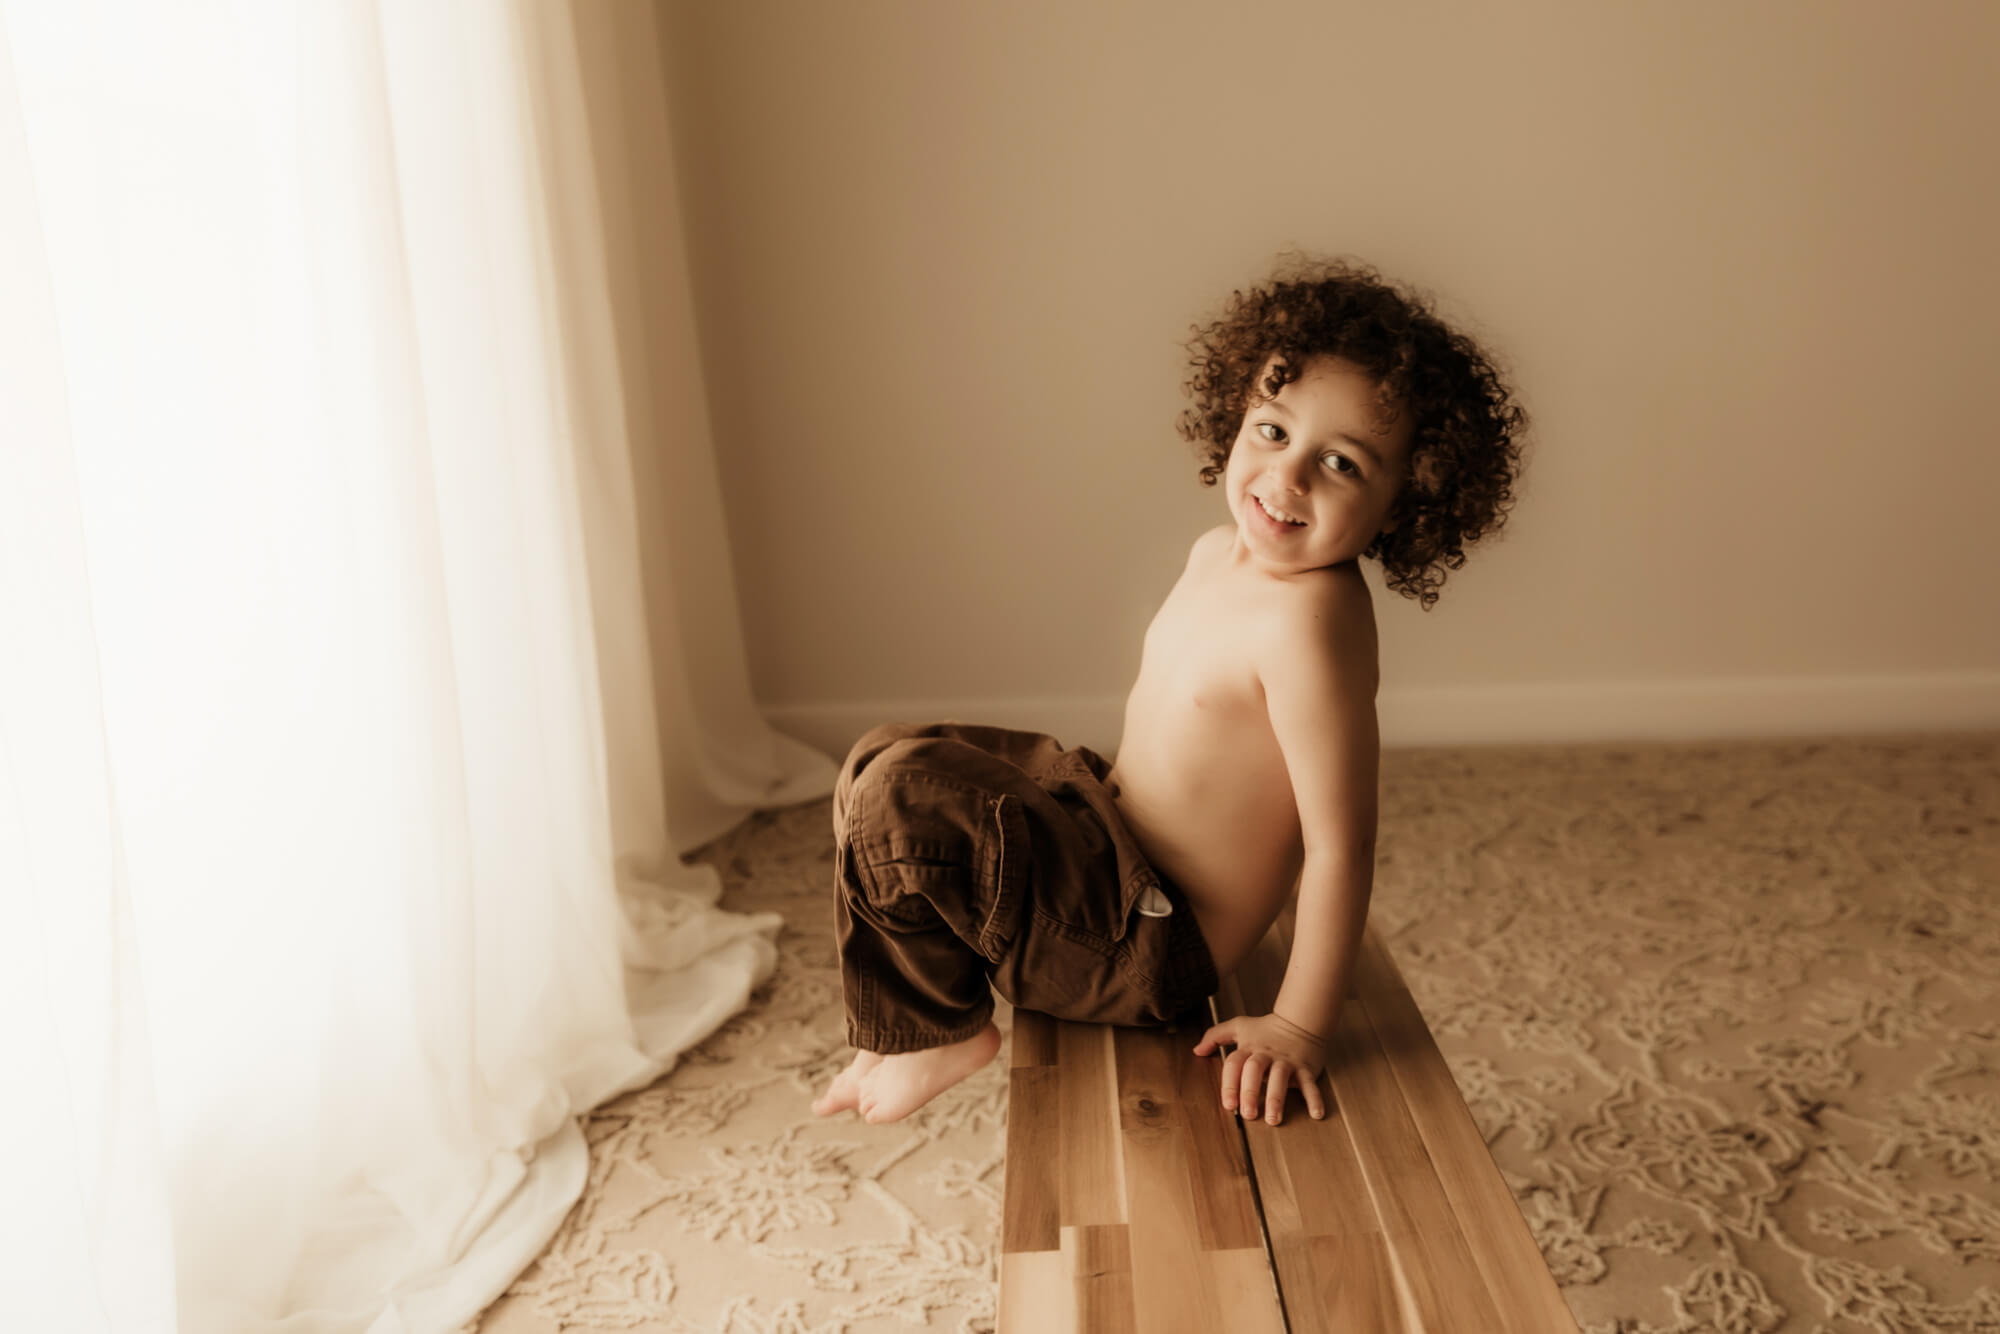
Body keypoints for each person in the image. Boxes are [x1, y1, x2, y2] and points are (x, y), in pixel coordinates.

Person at [812, 253, 1529, 1126]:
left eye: (1340, 464)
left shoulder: (1310, 629)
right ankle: (910, 1006)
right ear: (1236, 413)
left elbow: (1341, 844)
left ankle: (939, 1030)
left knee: (903, 797)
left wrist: (1299, 1024)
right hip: (1106, 835)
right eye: (1273, 430)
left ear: (1406, 503)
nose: (1288, 477)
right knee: (887, 752)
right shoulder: (1214, 552)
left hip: (1145, 940)